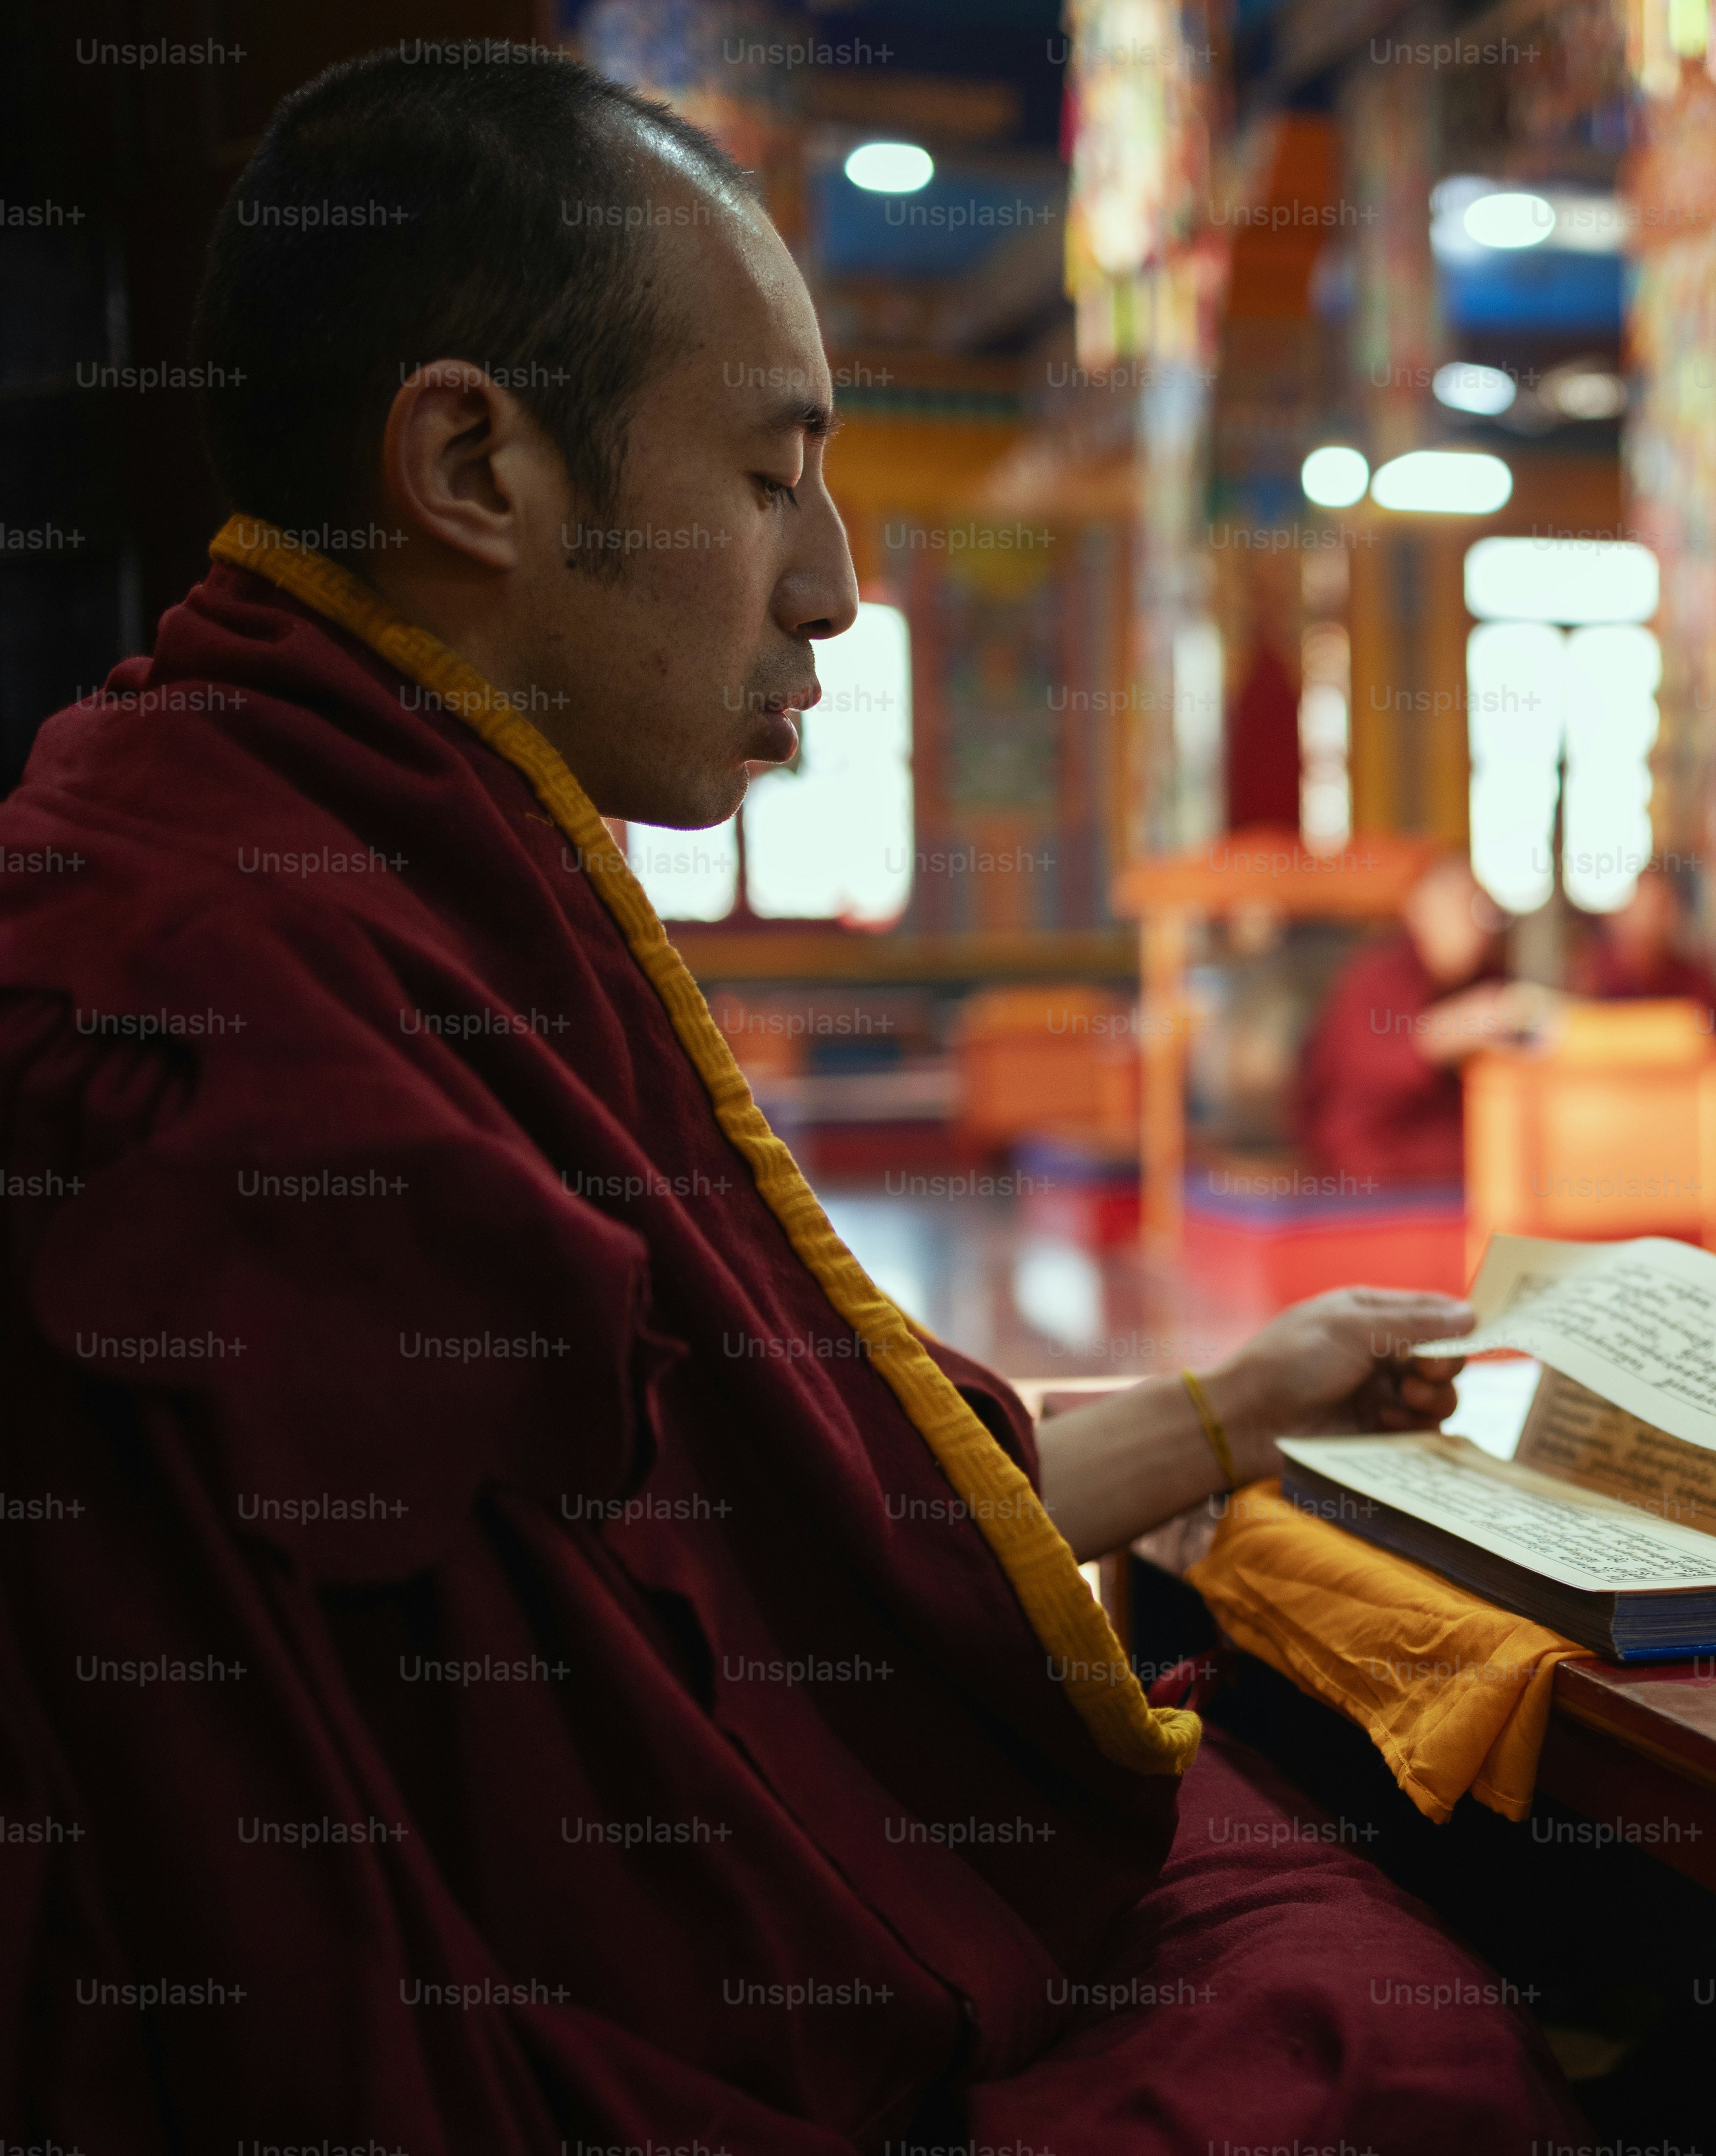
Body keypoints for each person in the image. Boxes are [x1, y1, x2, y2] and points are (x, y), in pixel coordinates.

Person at [0, 51, 1582, 2151]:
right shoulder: (218, 997)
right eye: (768, 477)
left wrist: (1257, 1389)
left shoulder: (348, 857)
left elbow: (796, 1534)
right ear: (475, 466)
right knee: (1397, 2041)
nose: (834, 580)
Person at [1293, 853, 1541, 1183]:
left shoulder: (1489, 978)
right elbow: (1372, 1069)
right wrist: (1457, 1028)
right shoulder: (1376, 977)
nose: (1475, 924)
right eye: (1459, 906)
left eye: (1481, 910)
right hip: (1373, 1159)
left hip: (1460, 1151)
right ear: (1420, 911)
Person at [1571, 870, 1716, 1006]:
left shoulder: (1692, 981)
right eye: (1642, 909)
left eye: (1659, 910)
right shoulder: (1595, 974)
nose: (1649, 921)